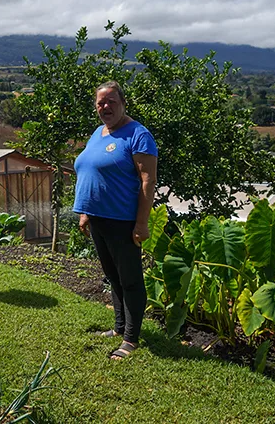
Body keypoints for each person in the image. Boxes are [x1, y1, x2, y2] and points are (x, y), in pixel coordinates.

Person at [73, 81, 158, 360]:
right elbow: (91, 170)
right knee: (113, 276)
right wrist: (85, 212)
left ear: (123, 103)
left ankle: (131, 339)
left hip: (122, 220)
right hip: (98, 218)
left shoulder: (138, 135)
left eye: (111, 101)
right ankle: (120, 327)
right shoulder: (99, 133)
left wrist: (141, 223)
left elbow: (147, 181)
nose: (105, 107)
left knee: (130, 279)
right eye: (100, 103)